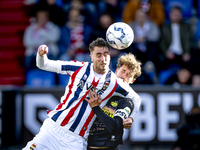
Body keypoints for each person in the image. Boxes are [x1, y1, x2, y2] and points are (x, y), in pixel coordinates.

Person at [22, 38, 141, 150]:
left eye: (106, 54)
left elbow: (136, 98)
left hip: (76, 140)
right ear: (91, 57)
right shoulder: (78, 67)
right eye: (98, 55)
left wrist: (131, 117)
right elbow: (44, 64)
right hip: (52, 129)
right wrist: (41, 55)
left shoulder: (115, 82)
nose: (103, 59)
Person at [86, 53, 142, 150]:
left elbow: (114, 126)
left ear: (132, 80)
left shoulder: (126, 101)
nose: (124, 75)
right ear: (116, 70)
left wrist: (131, 117)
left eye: (128, 75)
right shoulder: (100, 87)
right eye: (123, 71)